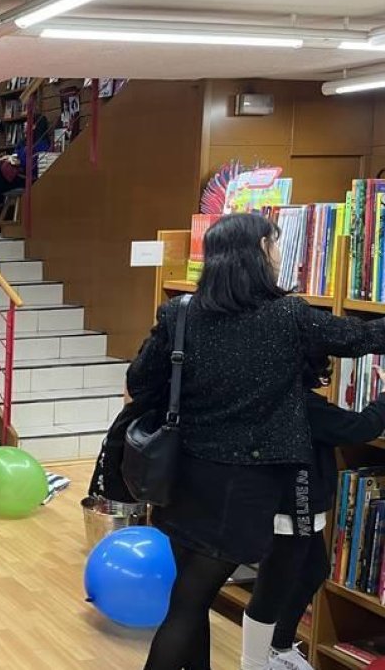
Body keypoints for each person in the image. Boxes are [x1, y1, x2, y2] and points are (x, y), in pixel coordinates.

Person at [131, 213, 385, 670]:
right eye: (273, 244)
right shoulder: (288, 315)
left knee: (190, 594)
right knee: (189, 603)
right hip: (243, 487)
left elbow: (140, 380)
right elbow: (361, 338)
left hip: (180, 477)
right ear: (257, 252)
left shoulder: (180, 312)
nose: (277, 253)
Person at [241, 358, 385, 670]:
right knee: (272, 586)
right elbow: (360, 427)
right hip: (293, 509)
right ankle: (256, 662)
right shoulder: (307, 407)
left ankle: (278, 644)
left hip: (295, 506)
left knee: (313, 568)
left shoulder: (278, 396)